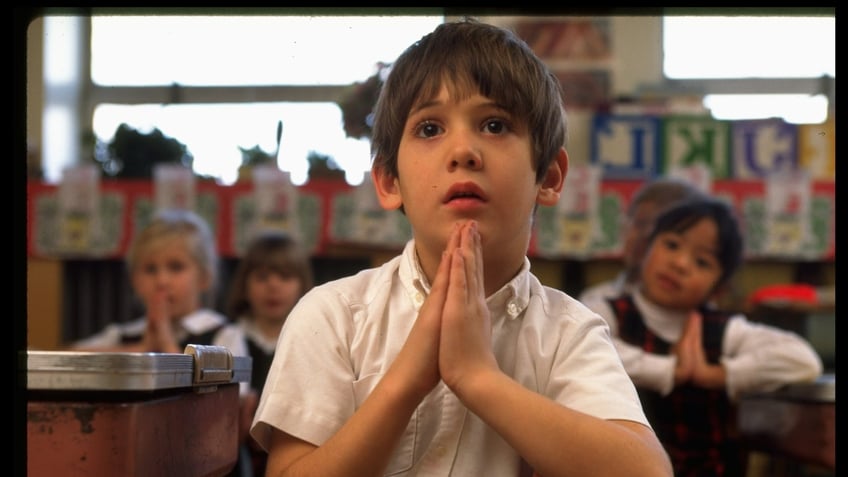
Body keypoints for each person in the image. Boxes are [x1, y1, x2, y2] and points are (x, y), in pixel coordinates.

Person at [250, 19, 673, 477]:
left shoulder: (568, 332)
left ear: (548, 177)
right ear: (390, 181)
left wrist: (478, 378)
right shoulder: (334, 316)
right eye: (430, 129)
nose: (463, 151)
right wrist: (406, 381)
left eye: (494, 124)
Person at [581, 196, 823, 477]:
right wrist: (671, 371)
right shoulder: (605, 311)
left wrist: (715, 375)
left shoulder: (720, 329)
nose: (681, 264)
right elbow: (591, 351)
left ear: (718, 287)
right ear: (646, 249)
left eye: (702, 262)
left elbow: (803, 361)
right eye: (671, 245)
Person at [72, 208, 235, 353]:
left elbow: (229, 387)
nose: (162, 281)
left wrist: (165, 342)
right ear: (134, 281)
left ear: (204, 278)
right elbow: (64, 358)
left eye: (176, 267)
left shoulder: (223, 334)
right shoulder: (123, 335)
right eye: (150, 269)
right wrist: (141, 349)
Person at [222, 230, 315, 477]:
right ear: (245, 284)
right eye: (262, 277)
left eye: (284, 276)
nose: (273, 285)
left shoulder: (313, 338)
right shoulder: (228, 337)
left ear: (302, 284)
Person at [579, 176, 705, 306]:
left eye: (660, 230)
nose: (646, 235)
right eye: (641, 223)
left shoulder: (703, 315)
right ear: (624, 227)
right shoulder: (595, 302)